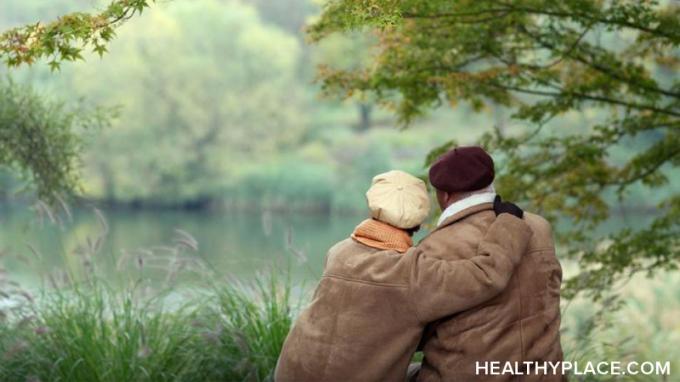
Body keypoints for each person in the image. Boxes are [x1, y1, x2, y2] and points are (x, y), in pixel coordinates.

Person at [275, 170, 532, 382]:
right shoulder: (414, 272)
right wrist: (508, 222)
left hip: (291, 371)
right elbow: (486, 275)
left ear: (373, 207)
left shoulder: (339, 252)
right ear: (418, 223)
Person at [411, 146, 564, 382]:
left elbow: (414, 332)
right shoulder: (539, 227)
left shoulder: (435, 247)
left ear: (444, 195)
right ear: (489, 182)